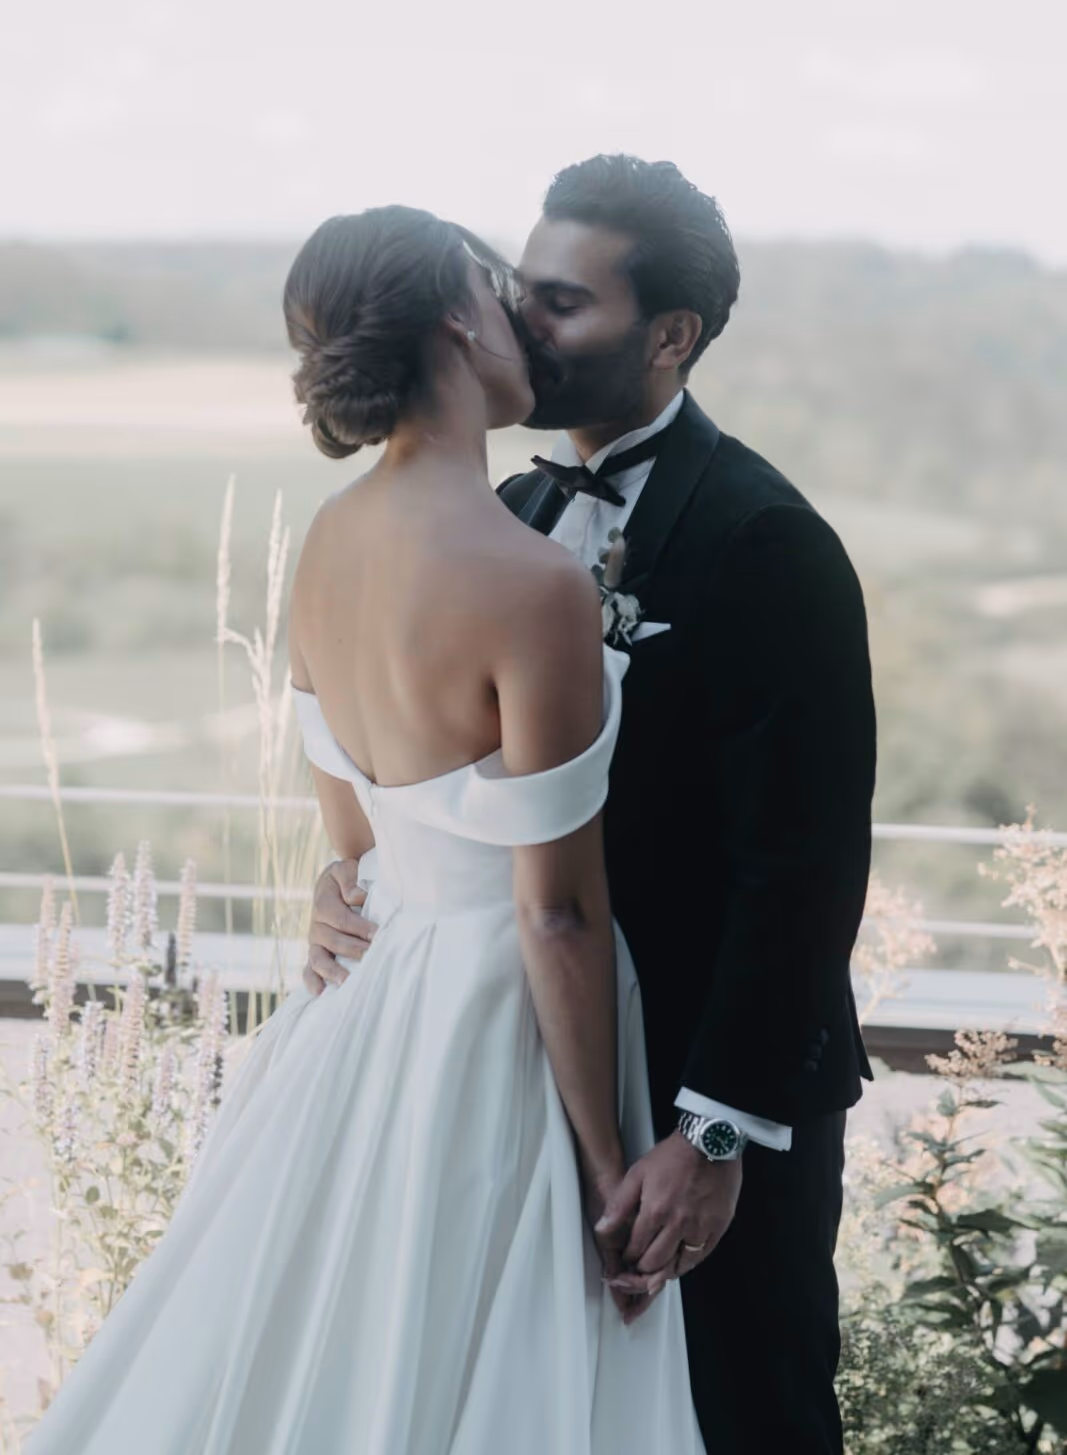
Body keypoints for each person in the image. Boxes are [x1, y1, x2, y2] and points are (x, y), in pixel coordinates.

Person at [26, 206, 705, 1454]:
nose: (521, 321)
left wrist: (342, 890)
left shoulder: (327, 542)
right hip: (497, 1026)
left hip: (364, 997)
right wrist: (604, 1163)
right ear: (454, 310)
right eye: (501, 290)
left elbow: (349, 843)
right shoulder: (531, 580)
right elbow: (551, 906)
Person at [306, 157, 878, 1454]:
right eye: (516, 294)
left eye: (561, 305)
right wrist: (347, 886)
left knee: (742, 1413)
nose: (520, 327)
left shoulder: (763, 541)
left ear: (668, 336)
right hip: (521, 1093)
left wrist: (710, 1131)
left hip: (695, 1096)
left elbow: (801, 871)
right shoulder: (501, 516)